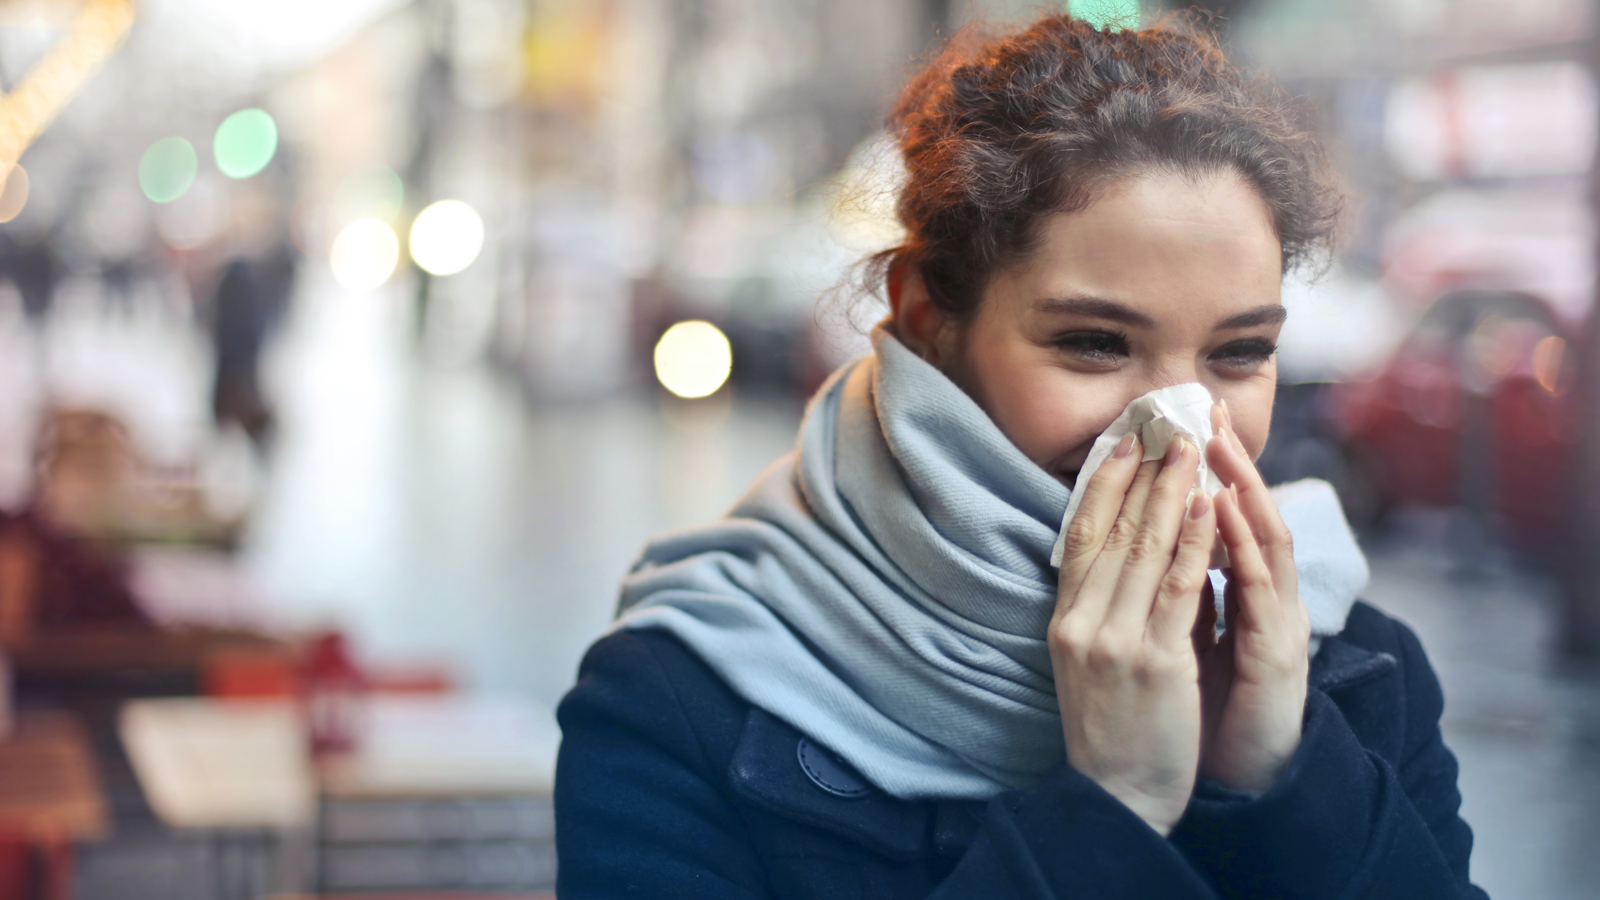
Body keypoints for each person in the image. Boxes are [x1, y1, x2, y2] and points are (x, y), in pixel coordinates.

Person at [555, 13, 1486, 899]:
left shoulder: (1361, 669)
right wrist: (1110, 803)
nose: (1185, 426)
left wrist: (1284, 781)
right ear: (927, 315)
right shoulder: (679, 700)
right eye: (1093, 342)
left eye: (1239, 353)